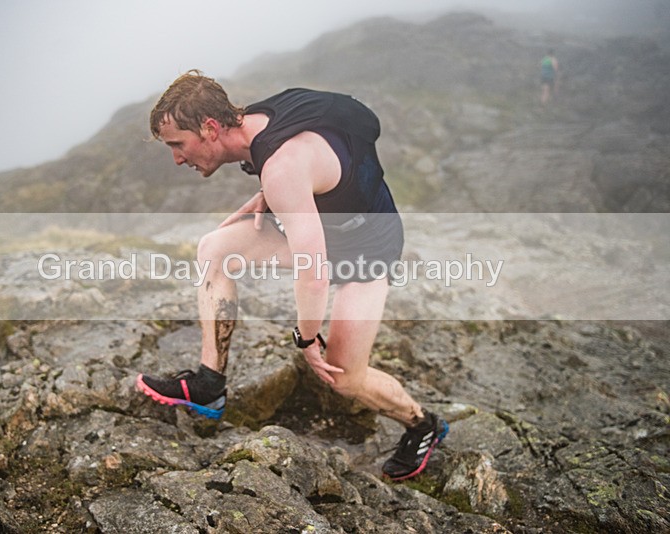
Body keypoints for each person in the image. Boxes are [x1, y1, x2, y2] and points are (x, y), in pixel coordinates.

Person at [135, 70, 448, 481]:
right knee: (214, 250)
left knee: (344, 376)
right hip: (325, 229)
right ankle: (209, 384)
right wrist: (280, 190)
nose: (177, 158)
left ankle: (423, 424)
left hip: (368, 250)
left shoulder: (282, 167)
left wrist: (307, 337)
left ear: (210, 128)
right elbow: (357, 121)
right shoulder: (268, 117)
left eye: (178, 144)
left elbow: (312, 272)